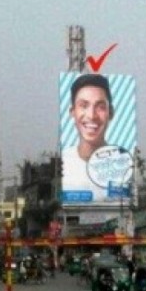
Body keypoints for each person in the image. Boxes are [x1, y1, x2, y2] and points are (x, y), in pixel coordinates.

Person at [61, 74, 115, 202]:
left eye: (100, 107)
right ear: (72, 112)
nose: (91, 115)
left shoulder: (122, 164)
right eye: (84, 105)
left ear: (111, 113)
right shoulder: (65, 163)